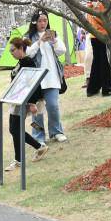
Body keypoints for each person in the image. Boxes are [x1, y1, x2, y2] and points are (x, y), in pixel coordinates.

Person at [4, 38, 49, 170]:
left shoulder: (28, 62)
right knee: (14, 129)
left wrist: (32, 103)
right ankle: (37, 148)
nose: (11, 53)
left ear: (20, 49)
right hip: (17, 100)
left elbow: (33, 84)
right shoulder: (21, 62)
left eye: (13, 50)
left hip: (23, 101)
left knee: (15, 129)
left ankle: (21, 159)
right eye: (10, 51)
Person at [25, 11, 68, 144]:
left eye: (45, 20)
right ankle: (38, 136)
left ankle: (56, 131)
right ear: (34, 22)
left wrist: (53, 40)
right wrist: (39, 42)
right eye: (40, 21)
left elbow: (62, 51)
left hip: (52, 77)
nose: (43, 23)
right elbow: (28, 54)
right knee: (36, 111)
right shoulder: (28, 37)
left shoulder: (53, 35)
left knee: (53, 106)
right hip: (35, 80)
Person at [84, 0, 111, 97]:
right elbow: (103, 18)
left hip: (95, 35)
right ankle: (106, 87)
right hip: (101, 35)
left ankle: (93, 88)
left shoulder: (90, 4)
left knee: (98, 62)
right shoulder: (96, 5)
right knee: (103, 62)